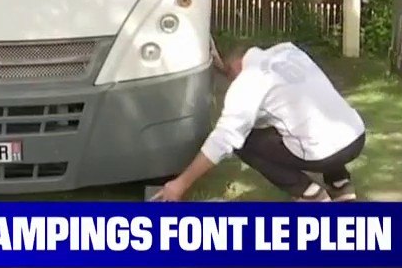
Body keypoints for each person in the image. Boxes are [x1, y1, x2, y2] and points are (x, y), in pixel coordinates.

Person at [155, 41, 366, 202]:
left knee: (244, 142)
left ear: (234, 66)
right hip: (355, 136)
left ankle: (310, 195)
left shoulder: (249, 81)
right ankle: (340, 183)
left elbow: (224, 138)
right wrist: (225, 67)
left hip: (325, 152)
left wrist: (179, 184)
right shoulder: (289, 51)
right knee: (310, 117)